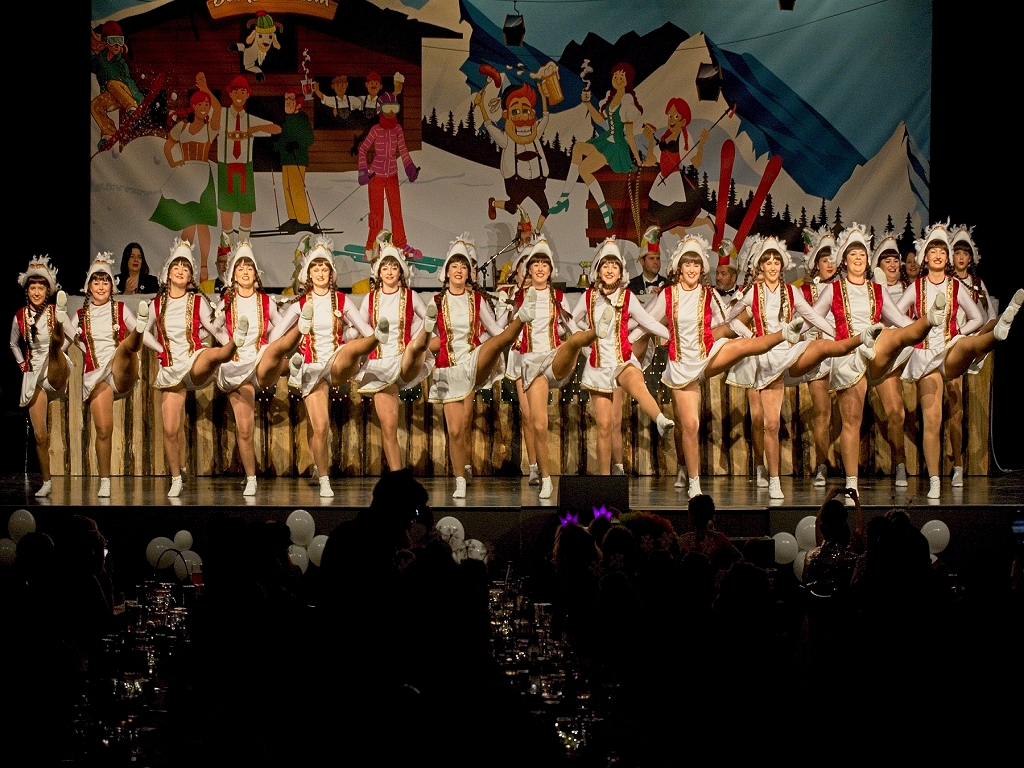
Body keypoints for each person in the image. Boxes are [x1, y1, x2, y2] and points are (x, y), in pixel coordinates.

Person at [642, 235, 804, 497]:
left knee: (743, 346)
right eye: (687, 264)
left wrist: (743, 323)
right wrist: (665, 334)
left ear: (702, 268)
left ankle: (784, 334)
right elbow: (645, 320)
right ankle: (691, 477)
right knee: (689, 424)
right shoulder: (668, 295)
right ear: (679, 268)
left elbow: (728, 319)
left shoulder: (709, 294)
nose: (692, 269)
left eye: (696, 264)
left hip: (707, 354)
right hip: (682, 364)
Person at [727, 236, 881, 499]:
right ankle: (774, 479)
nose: (772, 266)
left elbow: (812, 316)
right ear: (761, 266)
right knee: (771, 423)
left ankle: (852, 344)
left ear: (782, 266)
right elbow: (730, 318)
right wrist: (750, 336)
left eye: (776, 262)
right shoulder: (754, 292)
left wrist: (836, 335)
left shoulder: (791, 292)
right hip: (765, 358)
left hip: (788, 353)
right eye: (768, 262)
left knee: (819, 347)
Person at [812, 223, 946, 504]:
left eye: (862, 254)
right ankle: (852, 485)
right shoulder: (833, 290)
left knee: (894, 336)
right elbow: (812, 316)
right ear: (844, 260)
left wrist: (924, 334)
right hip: (848, 356)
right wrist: (832, 335)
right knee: (852, 420)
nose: (858, 258)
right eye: (853, 254)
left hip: (875, 349)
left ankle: (928, 320)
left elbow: (900, 319)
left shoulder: (878, 290)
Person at [897, 221, 1022, 498]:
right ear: (925, 257)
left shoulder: (955, 286)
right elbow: (894, 313)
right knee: (932, 419)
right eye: (933, 251)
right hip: (925, 355)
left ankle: (997, 331)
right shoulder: (916, 287)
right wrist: (914, 330)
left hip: (949, 348)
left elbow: (978, 317)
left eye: (943, 251)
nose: (938, 255)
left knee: (967, 345)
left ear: (948, 257)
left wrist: (957, 332)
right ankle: (934, 480)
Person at [427, 233, 536, 498]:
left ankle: (522, 318)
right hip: (447, 368)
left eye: (463, 266)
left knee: (497, 343)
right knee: (456, 429)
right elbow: (426, 334)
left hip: (472, 361)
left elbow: (496, 331)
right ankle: (460, 477)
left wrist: (510, 319)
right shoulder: (436, 301)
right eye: (454, 266)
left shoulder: (476, 299)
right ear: (446, 271)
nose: (459, 270)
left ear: (469, 273)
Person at [279, 235, 389, 497]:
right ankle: (323, 475)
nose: (320, 273)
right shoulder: (300, 304)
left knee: (353, 346)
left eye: (324, 268)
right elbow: (277, 336)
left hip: (336, 361)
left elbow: (362, 329)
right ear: (308, 273)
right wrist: (296, 336)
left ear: (331, 273)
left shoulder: (341, 300)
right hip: (311, 367)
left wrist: (352, 335)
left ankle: (378, 339)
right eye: (316, 268)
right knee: (319, 426)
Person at [143, 239, 245, 497]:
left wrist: (228, 342)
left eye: (186, 268)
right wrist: (159, 348)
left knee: (212, 354)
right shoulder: (157, 304)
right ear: (168, 273)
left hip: (193, 359)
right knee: (170, 429)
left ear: (190, 276)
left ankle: (234, 345)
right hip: (171, 368)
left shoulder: (197, 302)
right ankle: (177, 476)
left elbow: (214, 330)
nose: (180, 270)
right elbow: (142, 332)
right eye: (176, 266)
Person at [566, 237, 675, 474]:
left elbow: (647, 322)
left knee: (637, 383)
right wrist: (585, 337)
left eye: (614, 266)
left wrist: (671, 335)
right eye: (605, 265)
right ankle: (605, 480)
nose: (609, 270)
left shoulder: (627, 297)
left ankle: (659, 419)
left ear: (620, 271)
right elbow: (570, 321)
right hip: (598, 365)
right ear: (598, 270)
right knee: (605, 426)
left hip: (622, 357)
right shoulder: (589, 297)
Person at [212, 242, 305, 496]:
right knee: (245, 428)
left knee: (275, 351)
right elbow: (213, 327)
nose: (245, 271)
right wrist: (228, 343)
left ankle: (292, 363)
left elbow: (279, 327)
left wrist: (270, 341)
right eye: (240, 267)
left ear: (256, 274)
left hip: (261, 360)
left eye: (249, 267)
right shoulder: (226, 302)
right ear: (233, 274)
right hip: (237, 368)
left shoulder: (266, 302)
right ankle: (251, 477)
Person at [66, 253, 149, 497]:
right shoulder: (80, 315)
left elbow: (147, 340)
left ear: (112, 286)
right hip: (96, 376)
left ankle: (138, 330)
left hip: (121, 369)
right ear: (89, 286)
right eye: (96, 281)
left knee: (125, 347)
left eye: (105, 282)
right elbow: (64, 344)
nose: (101, 286)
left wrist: (157, 348)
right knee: (104, 429)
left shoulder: (120, 309)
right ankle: (105, 479)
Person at [354, 232, 436, 472]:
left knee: (417, 344)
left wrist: (420, 332)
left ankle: (418, 344)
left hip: (404, 357)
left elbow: (428, 321)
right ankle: (397, 476)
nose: (389, 272)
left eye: (394, 267)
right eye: (385, 267)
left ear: (401, 271)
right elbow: (360, 328)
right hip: (380, 364)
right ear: (378, 272)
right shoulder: (370, 299)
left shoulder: (411, 296)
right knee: (389, 426)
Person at [507, 235, 579, 499]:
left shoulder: (558, 297)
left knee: (575, 341)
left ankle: (590, 338)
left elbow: (571, 327)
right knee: (537, 422)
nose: (539, 268)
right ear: (528, 268)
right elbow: (505, 328)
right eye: (535, 263)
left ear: (550, 270)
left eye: (544, 264)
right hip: (529, 362)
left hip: (552, 357)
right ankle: (543, 475)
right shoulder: (519, 297)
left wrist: (589, 344)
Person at [547, 62, 643, 229]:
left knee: (584, 169)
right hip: (605, 140)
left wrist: (637, 159)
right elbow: (600, 120)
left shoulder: (627, 102)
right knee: (578, 147)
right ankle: (564, 198)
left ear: (628, 80)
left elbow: (629, 134)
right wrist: (587, 103)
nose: (618, 79)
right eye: (616, 76)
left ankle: (604, 208)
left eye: (622, 77)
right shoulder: (611, 98)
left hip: (615, 147)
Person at [11, 257, 72, 497]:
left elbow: (74, 337)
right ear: (27, 291)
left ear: (48, 291)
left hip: (55, 366)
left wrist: (65, 351)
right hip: (33, 373)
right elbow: (13, 343)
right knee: (39, 435)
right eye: (33, 288)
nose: (37, 292)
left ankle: (56, 344)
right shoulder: (19, 316)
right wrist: (22, 363)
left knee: (56, 347)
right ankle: (46, 481)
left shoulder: (54, 311)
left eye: (41, 288)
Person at [151, 73, 222, 280]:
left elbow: (218, 109)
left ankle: (205, 267)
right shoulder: (182, 127)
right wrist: (174, 162)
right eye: (200, 104)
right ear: (193, 106)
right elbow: (168, 146)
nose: (204, 107)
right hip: (186, 176)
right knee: (188, 223)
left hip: (203, 175)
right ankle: (183, 264)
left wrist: (206, 89)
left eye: (206, 104)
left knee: (203, 223)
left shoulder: (209, 129)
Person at [945, 225, 998, 488]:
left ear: (971, 258)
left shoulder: (977, 284)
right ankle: (957, 465)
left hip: (973, 345)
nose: (961, 257)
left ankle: (996, 333)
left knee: (971, 411)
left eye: (966, 253)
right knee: (955, 410)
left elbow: (987, 316)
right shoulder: (945, 282)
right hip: (951, 346)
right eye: (957, 252)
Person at [215, 75, 282, 277]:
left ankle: (243, 254)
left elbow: (276, 128)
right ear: (230, 93)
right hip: (226, 167)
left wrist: (255, 129)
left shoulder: (249, 118)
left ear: (247, 95)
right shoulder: (222, 114)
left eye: (242, 91)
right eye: (235, 91)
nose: (239, 94)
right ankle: (224, 262)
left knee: (245, 212)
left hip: (245, 168)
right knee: (226, 215)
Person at [475, 80, 552, 231]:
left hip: (536, 182)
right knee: (512, 208)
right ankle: (493, 203)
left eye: (526, 111)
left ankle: (537, 231)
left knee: (545, 209)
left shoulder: (535, 133)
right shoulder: (507, 138)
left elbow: (546, 117)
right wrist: (481, 105)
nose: (522, 116)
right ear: (506, 114)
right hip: (517, 182)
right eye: (516, 112)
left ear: (532, 112)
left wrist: (543, 97)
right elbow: (489, 126)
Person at [869, 233, 912, 487]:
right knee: (895, 411)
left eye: (895, 259)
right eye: (887, 260)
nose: (893, 264)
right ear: (878, 265)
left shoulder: (910, 289)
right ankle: (899, 464)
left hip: (913, 352)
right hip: (888, 355)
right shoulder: (872, 291)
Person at [799, 227, 839, 486]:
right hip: (819, 355)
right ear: (816, 263)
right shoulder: (806, 291)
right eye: (825, 259)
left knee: (848, 412)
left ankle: (847, 464)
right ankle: (822, 464)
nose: (830, 264)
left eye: (833, 259)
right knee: (822, 412)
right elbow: (799, 322)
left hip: (844, 353)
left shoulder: (845, 287)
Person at [641, 97, 715, 235]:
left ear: (683, 121)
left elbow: (696, 162)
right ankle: (704, 223)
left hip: (673, 183)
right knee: (671, 225)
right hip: (660, 182)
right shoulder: (664, 137)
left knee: (672, 223)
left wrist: (702, 143)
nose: (671, 120)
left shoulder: (684, 138)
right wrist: (650, 140)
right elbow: (651, 160)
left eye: (676, 116)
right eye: (670, 116)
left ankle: (695, 234)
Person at [358, 91, 420, 260]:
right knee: (376, 214)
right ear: (380, 109)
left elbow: (403, 150)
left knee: (396, 211)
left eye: (394, 108)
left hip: (392, 174)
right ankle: (372, 247)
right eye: (387, 108)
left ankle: (400, 243)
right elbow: (363, 149)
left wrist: (409, 167)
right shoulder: (376, 130)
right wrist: (363, 170)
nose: (391, 112)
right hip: (376, 176)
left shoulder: (397, 129)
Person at [90, 21, 143, 149]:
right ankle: (108, 133)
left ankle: (131, 107)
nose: (117, 45)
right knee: (94, 105)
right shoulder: (100, 60)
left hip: (125, 92)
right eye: (113, 40)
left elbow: (129, 81)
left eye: (120, 41)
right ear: (106, 42)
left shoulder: (121, 63)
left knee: (112, 83)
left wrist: (138, 99)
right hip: (112, 96)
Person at [275, 87, 316, 234]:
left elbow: (309, 138)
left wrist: (296, 144)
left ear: (298, 103)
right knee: (287, 188)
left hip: (297, 159)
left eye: (290, 99)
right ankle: (293, 218)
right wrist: (276, 147)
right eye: (285, 99)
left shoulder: (302, 119)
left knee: (296, 190)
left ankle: (303, 221)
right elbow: (282, 138)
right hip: (286, 159)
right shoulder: (286, 119)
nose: (287, 102)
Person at [627, 226, 667, 297]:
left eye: (658, 258)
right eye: (651, 258)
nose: (656, 262)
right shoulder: (630, 286)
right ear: (642, 261)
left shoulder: (668, 285)